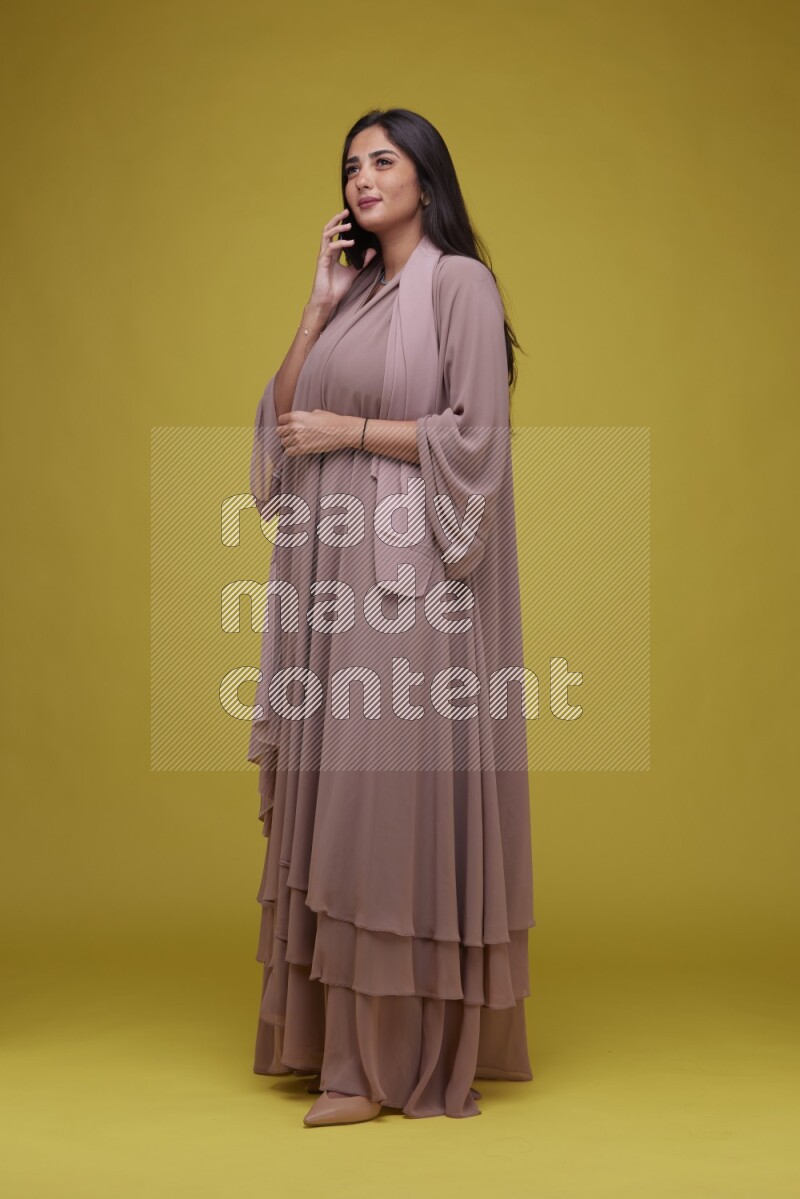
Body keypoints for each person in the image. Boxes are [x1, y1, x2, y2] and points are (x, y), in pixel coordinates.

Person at [247, 107, 536, 1125]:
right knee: (336, 788)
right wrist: (317, 305)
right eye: (349, 165)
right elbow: (284, 426)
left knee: (383, 800)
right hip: (328, 571)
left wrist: (352, 428)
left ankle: (381, 1063)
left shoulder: (456, 282)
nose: (361, 177)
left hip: (409, 568)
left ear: (425, 176)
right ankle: (334, 1043)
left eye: (382, 160)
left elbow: (475, 439)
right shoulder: (356, 290)